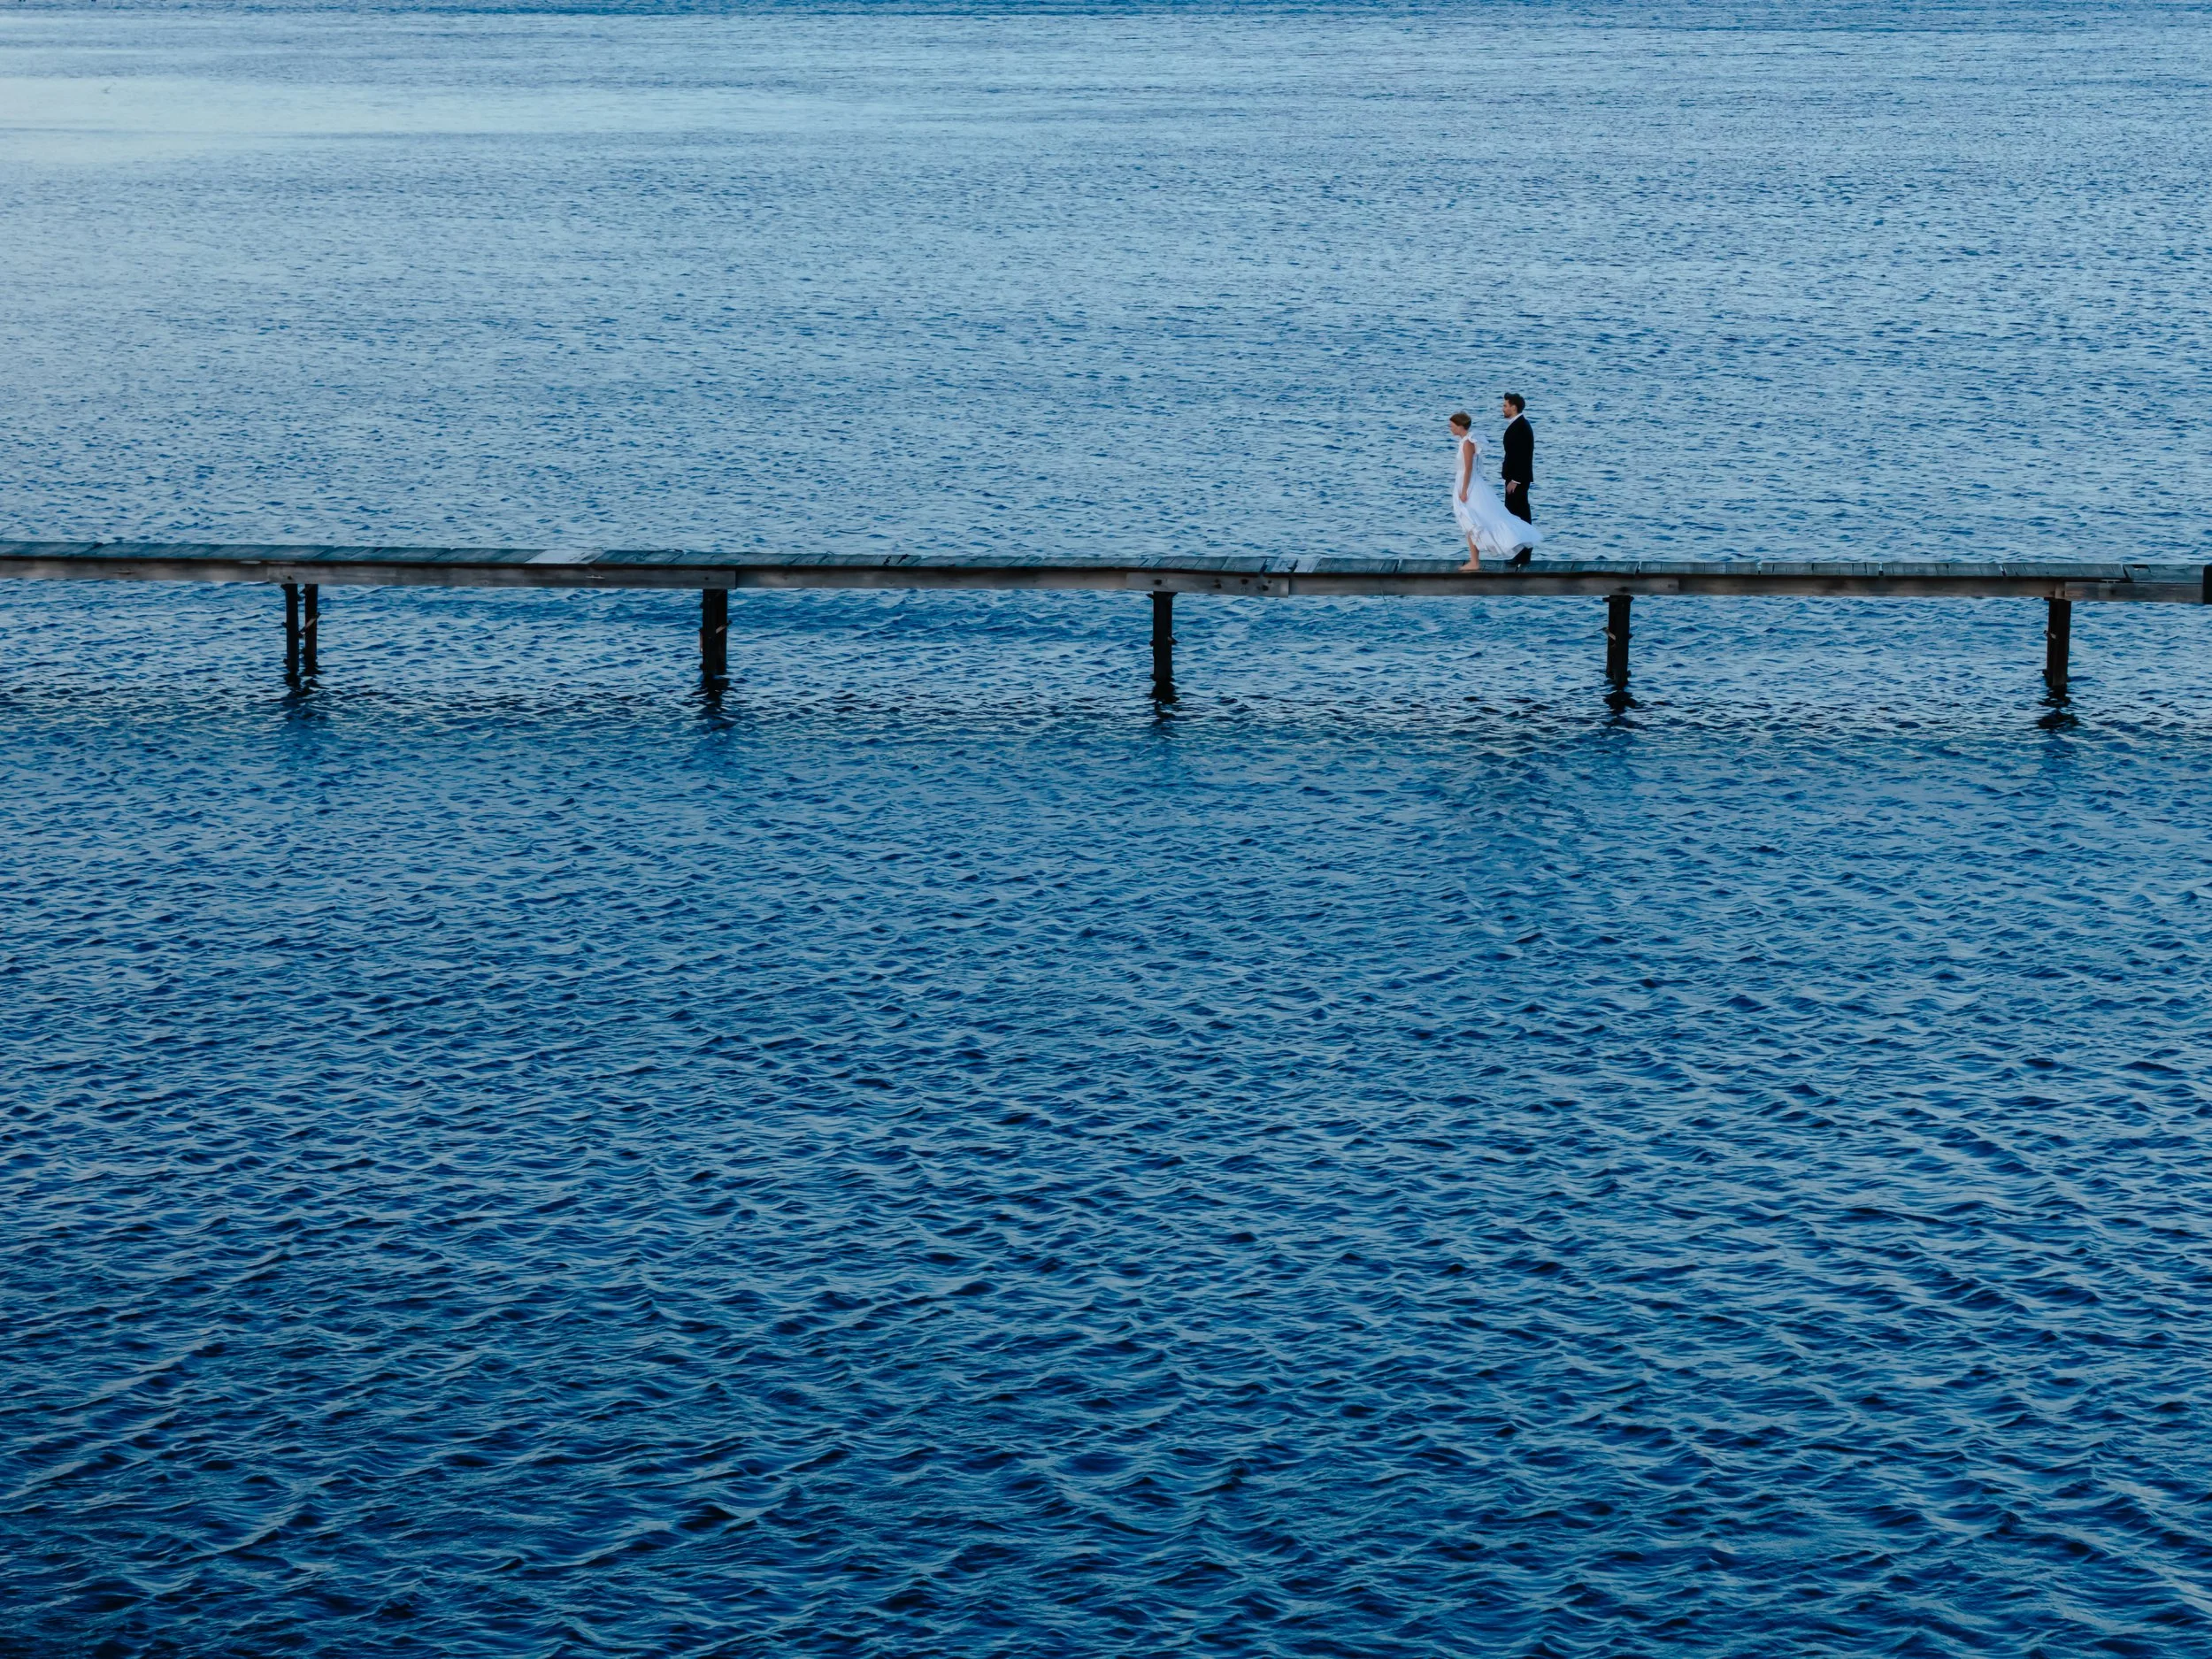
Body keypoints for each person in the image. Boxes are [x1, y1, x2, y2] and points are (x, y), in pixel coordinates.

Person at [1450, 411, 1541, 572]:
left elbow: (1469, 469)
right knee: (1470, 523)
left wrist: (1464, 491)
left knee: (1472, 521)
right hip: (1464, 483)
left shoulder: (1467, 443)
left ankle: (1475, 562)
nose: (1450, 428)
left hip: (1469, 485)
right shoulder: (1465, 441)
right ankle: (1474, 561)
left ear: (1460, 426)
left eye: (1452, 426)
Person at [1500, 393, 1534, 567]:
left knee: (1519, 514)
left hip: (1517, 480)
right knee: (1515, 514)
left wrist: (1516, 480)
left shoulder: (1520, 427)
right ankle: (1522, 551)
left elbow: (1523, 456)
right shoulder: (1518, 425)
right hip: (1514, 479)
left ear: (1514, 407)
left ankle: (1524, 552)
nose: (1503, 408)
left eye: (1505, 405)